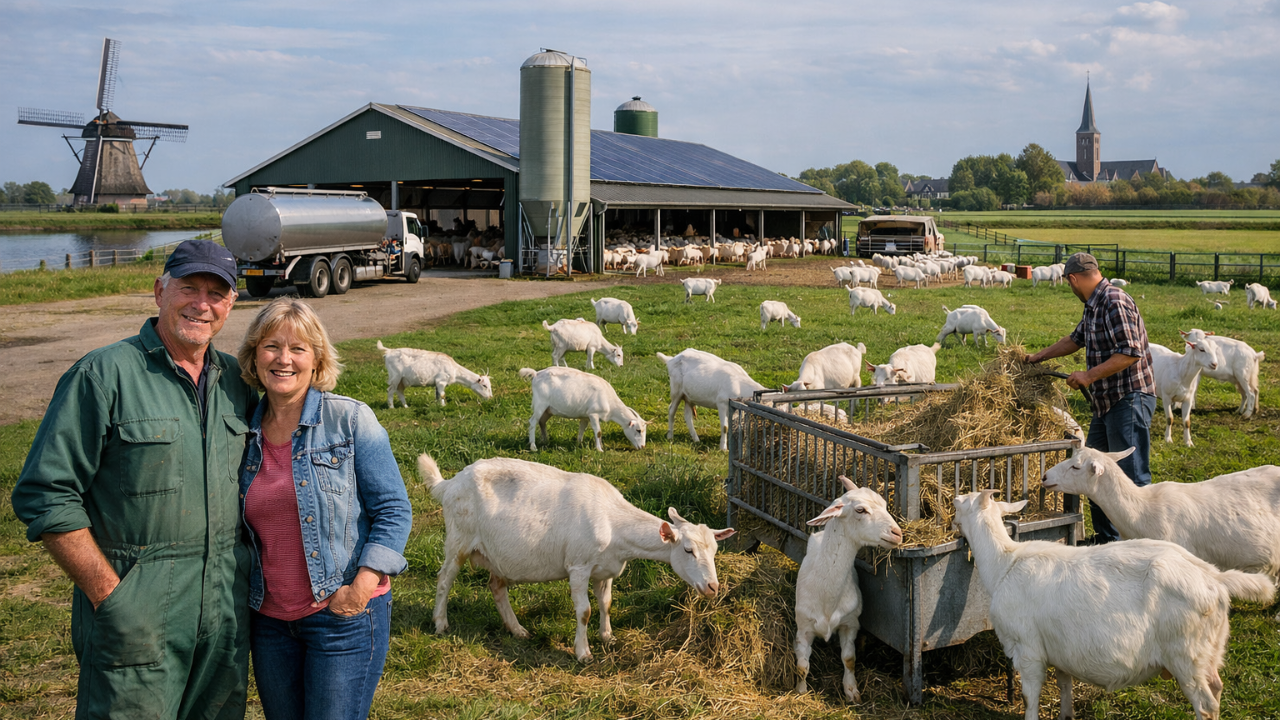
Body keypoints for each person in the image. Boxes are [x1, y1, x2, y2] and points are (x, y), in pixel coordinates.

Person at [12, 240, 257, 719]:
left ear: (231, 304)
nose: (201, 304)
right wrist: (111, 595)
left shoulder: (237, 380)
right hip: (138, 608)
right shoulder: (103, 375)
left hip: (226, 611)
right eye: (189, 288)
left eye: (216, 293)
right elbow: (46, 494)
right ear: (159, 290)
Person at [236, 296, 411, 720]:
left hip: (340, 616)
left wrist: (361, 588)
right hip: (270, 620)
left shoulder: (351, 420)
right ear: (254, 356)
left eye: (298, 349)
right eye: (271, 346)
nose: (284, 359)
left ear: (316, 360)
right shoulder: (241, 430)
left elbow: (393, 508)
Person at [1025, 252, 1156, 544]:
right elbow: (1074, 340)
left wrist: (1088, 376)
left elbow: (1130, 352)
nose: (1071, 290)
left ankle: (1142, 546)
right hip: (1105, 403)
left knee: (1130, 478)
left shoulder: (1114, 301)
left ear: (1073, 278)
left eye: (1069, 284)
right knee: (1093, 473)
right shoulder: (1093, 306)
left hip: (1128, 398)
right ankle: (1107, 542)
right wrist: (1038, 357)